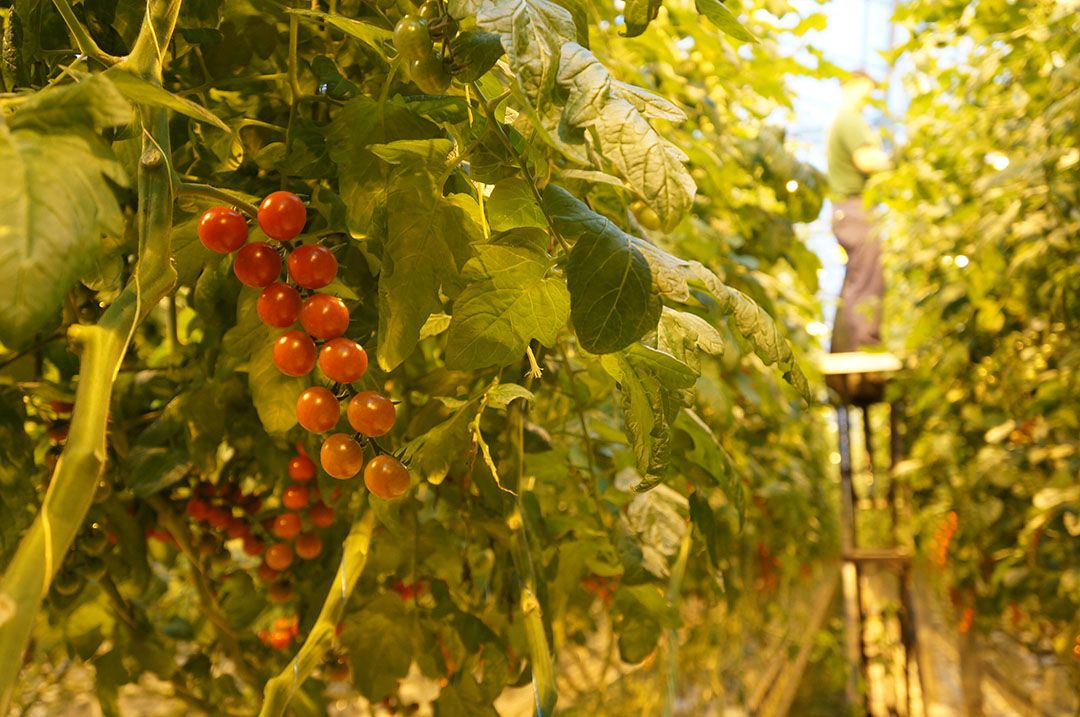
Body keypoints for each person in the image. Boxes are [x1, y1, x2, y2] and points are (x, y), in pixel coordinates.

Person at [827, 71, 891, 354]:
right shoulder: (849, 119)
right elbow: (865, 159)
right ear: (849, 86)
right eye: (866, 91)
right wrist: (898, 160)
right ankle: (864, 346)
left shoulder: (842, 119)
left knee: (856, 278)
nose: (868, 99)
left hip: (846, 210)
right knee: (867, 277)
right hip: (855, 208)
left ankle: (845, 348)